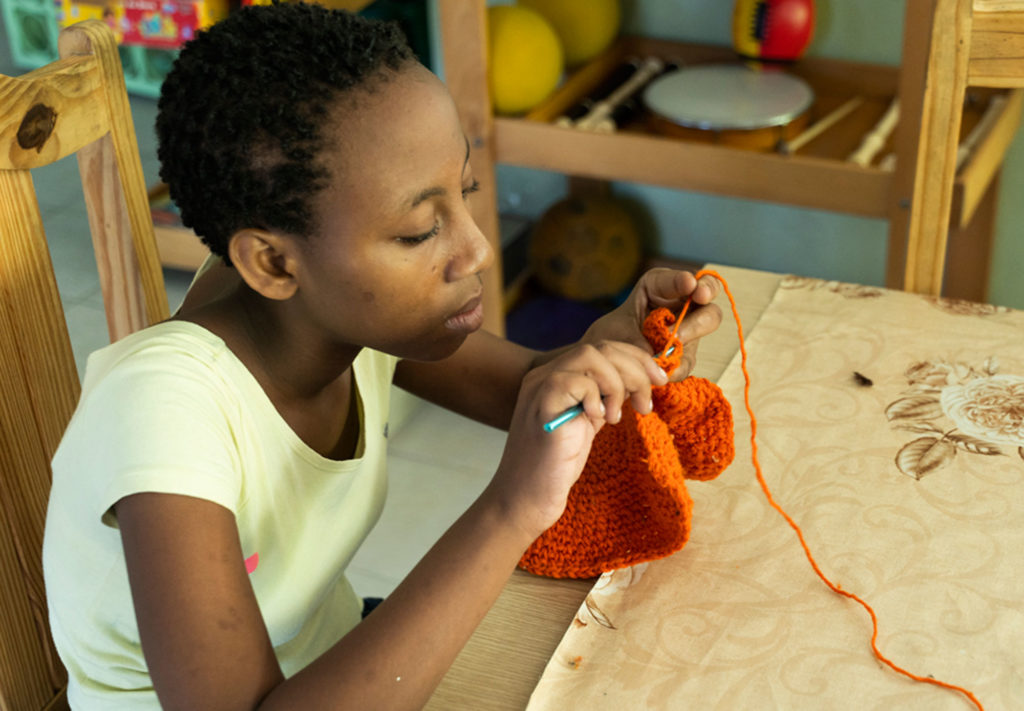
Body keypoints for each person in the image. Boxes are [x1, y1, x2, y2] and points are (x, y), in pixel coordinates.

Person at [42, 3, 722, 709]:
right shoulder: (163, 412)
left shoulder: (342, 313)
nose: (477, 249)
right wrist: (509, 509)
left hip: (331, 658)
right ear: (273, 261)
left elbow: (533, 392)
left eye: (466, 192)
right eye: (420, 231)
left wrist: (615, 343)